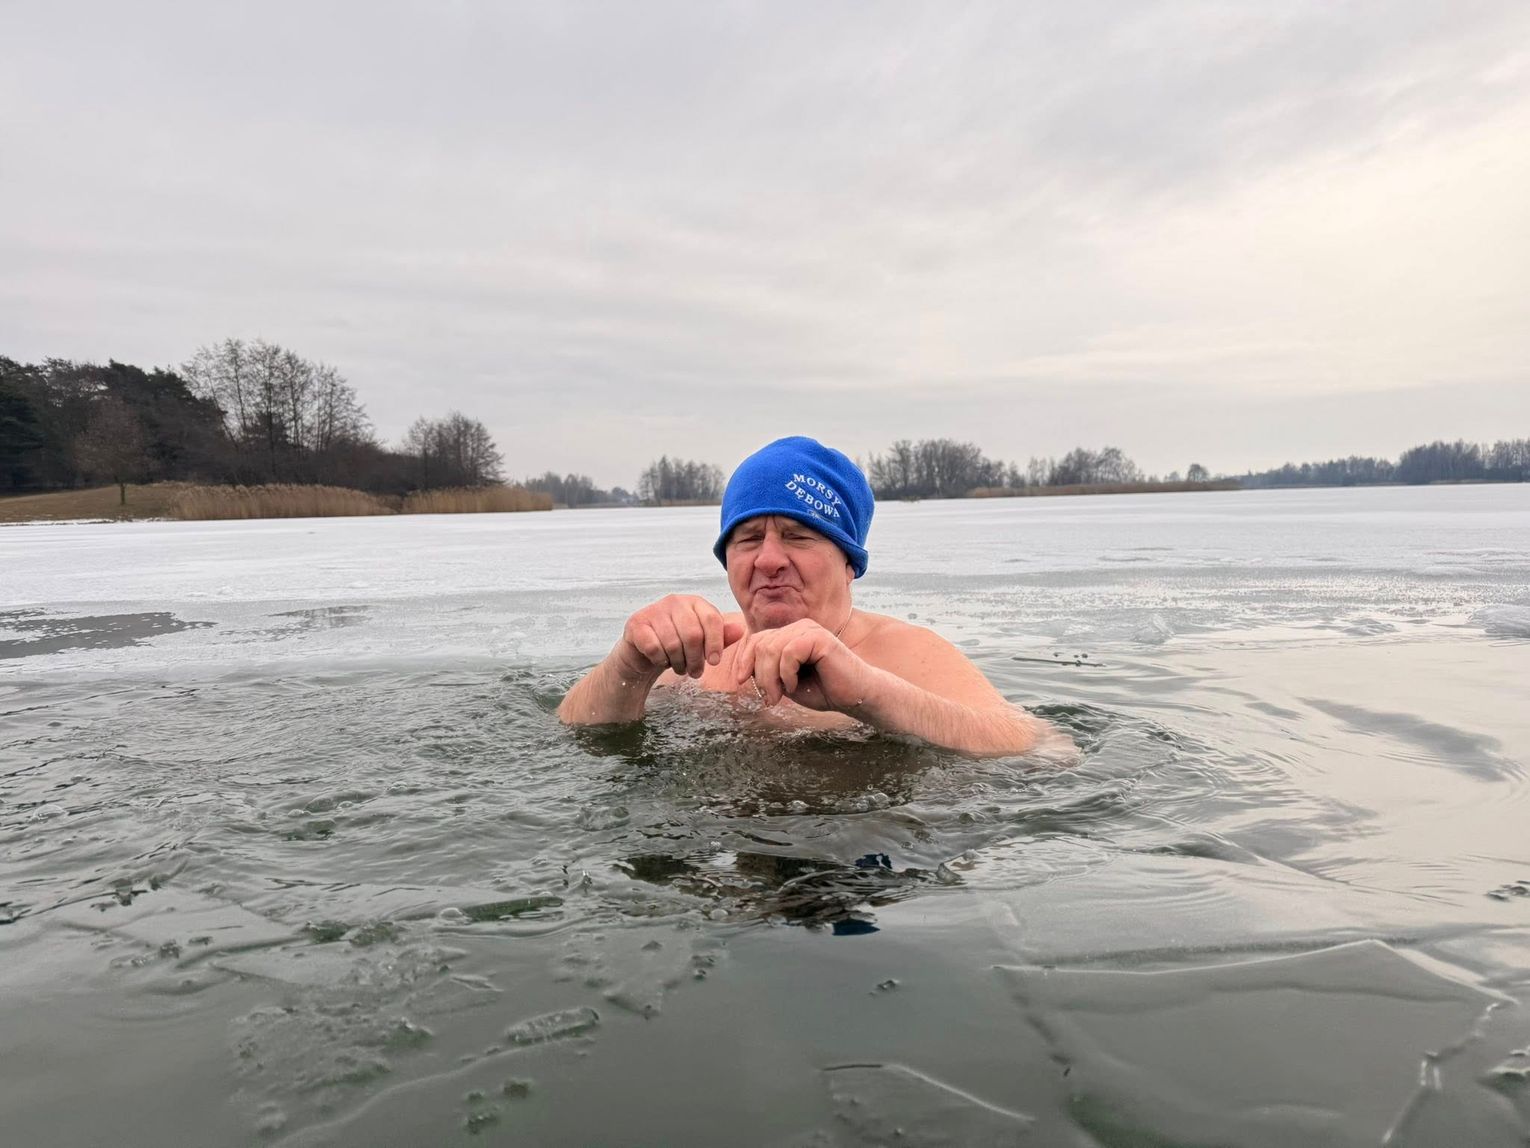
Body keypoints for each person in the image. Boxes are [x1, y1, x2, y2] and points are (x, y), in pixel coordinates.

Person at [559, 436, 1066, 757]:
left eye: (798, 536)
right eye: (748, 538)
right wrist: (630, 663)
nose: (769, 559)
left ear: (848, 562)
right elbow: (574, 736)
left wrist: (868, 694)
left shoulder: (906, 654)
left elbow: (1044, 748)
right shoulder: (700, 651)